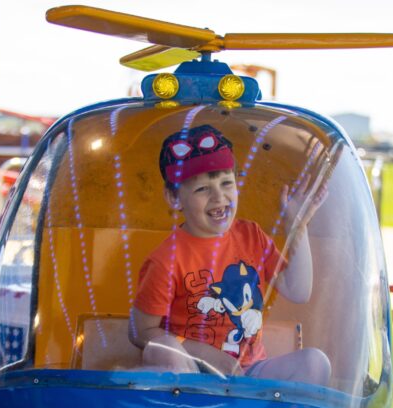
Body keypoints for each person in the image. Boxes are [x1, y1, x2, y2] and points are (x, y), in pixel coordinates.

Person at [129, 124, 331, 385]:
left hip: (248, 373)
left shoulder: (251, 235)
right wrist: (204, 354)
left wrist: (298, 226)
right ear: (174, 197)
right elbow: (139, 332)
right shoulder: (165, 260)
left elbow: (298, 290)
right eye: (202, 189)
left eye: (226, 183)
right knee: (162, 347)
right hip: (190, 376)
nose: (219, 196)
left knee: (315, 363)